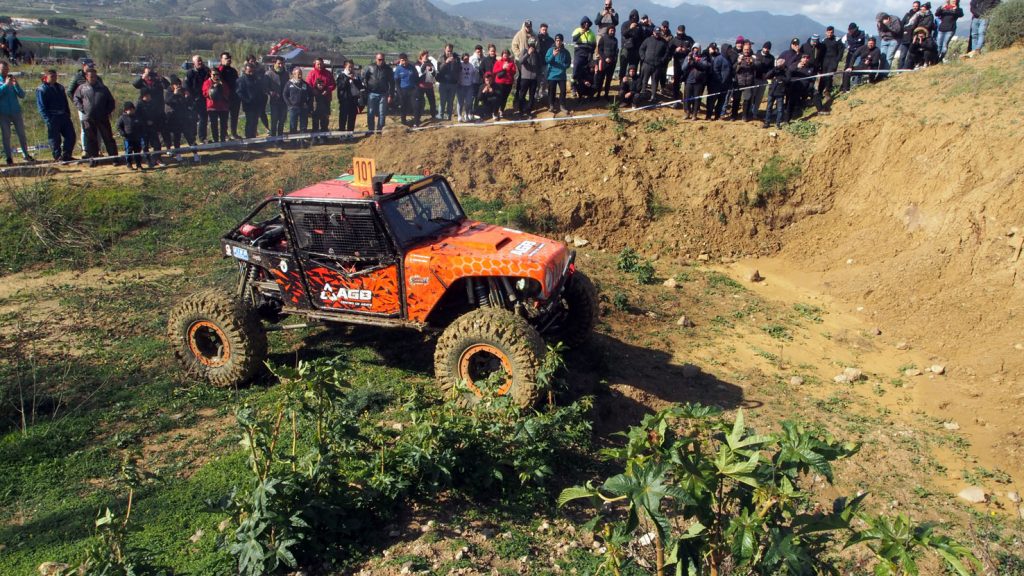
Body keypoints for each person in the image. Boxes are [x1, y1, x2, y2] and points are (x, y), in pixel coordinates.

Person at [73, 67, 118, 163]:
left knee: (108, 138)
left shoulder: (103, 88)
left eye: (95, 76)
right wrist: (82, 109)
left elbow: (111, 101)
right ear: (86, 77)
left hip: (102, 117)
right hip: (88, 118)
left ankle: (114, 158)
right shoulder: (82, 88)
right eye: (91, 76)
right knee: (91, 140)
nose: (93, 78)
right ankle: (93, 160)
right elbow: (76, 99)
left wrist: (107, 111)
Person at [36, 69, 75, 162]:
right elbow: (41, 107)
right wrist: (48, 119)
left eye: (55, 76)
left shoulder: (60, 87)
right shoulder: (41, 89)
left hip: (63, 115)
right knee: (55, 139)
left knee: (71, 135)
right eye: (52, 76)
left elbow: (65, 102)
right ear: (45, 77)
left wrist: (67, 113)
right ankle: (58, 156)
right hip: (52, 116)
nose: (54, 78)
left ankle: (67, 155)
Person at [0, 66, 34, 165]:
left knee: (21, 134)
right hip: (3, 113)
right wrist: (5, 85)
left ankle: (26, 154)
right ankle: (9, 157)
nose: (5, 71)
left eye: (6, 69)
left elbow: (22, 95)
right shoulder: (3, 82)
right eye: (2, 69)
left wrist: (16, 85)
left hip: (16, 111)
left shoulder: (11, 80)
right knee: (6, 135)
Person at [67, 60, 102, 154]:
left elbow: (102, 90)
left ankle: (98, 149)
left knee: (98, 128)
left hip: (96, 108)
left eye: (92, 66)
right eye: (89, 66)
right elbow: (69, 91)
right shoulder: (77, 77)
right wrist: (79, 104)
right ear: (84, 66)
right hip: (83, 108)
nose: (91, 68)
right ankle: (85, 150)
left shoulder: (97, 78)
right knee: (85, 128)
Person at [164, 77, 199, 160]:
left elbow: (190, 103)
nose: (179, 86)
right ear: (172, 85)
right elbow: (167, 101)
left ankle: (195, 154)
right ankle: (178, 155)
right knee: (176, 137)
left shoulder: (184, 90)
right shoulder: (169, 92)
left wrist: (188, 97)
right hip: (174, 118)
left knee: (189, 136)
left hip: (184, 117)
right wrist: (175, 94)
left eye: (180, 84)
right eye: (177, 84)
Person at [362, 53, 393, 133]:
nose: (381, 61)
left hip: (383, 94)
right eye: (379, 59)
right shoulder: (369, 67)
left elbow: (392, 83)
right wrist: (366, 89)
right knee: (371, 112)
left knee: (382, 113)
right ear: (376, 59)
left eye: (382, 59)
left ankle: (380, 130)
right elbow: (364, 78)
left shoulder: (388, 69)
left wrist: (390, 95)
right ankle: (370, 130)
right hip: (372, 93)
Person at [638, 28, 670, 103]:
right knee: (644, 80)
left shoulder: (663, 42)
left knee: (655, 81)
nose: (657, 34)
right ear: (653, 32)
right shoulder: (648, 40)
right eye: (656, 32)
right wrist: (643, 58)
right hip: (647, 64)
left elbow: (667, 52)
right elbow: (641, 49)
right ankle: (642, 94)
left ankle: (653, 96)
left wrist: (662, 60)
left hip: (657, 66)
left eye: (658, 33)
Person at [237, 62, 267, 138]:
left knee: (255, 122)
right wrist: (247, 100)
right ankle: (248, 139)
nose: (251, 73)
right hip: (248, 105)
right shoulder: (242, 80)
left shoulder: (256, 79)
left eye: (252, 71)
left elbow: (260, 90)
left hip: (257, 104)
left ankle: (253, 138)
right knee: (250, 122)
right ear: (245, 71)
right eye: (249, 71)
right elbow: (239, 92)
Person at [135, 91, 164, 166]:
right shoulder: (139, 104)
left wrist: (154, 122)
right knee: (145, 145)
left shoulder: (153, 103)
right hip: (143, 128)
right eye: (146, 96)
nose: (148, 97)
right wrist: (145, 122)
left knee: (157, 144)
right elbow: (137, 117)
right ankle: (147, 159)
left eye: (149, 95)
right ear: (142, 96)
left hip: (153, 127)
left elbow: (157, 114)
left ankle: (157, 158)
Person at [185, 55, 211, 142]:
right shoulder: (190, 73)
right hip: (193, 100)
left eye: (201, 60)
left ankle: (202, 138)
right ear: (194, 63)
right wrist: (191, 98)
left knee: (204, 119)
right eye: (198, 61)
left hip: (204, 99)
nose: (200, 62)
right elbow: (187, 87)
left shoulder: (206, 71)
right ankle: (192, 139)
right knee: (193, 120)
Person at [216, 52, 241, 139]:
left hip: (234, 97)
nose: (229, 60)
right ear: (221, 59)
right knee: (224, 118)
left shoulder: (233, 71)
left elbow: (237, 83)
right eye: (226, 58)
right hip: (224, 97)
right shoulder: (219, 70)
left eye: (229, 58)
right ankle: (225, 134)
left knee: (234, 116)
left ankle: (234, 133)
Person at [202, 67, 231, 142]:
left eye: (217, 74)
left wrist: (221, 86)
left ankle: (223, 138)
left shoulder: (223, 83)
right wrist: (213, 88)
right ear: (210, 75)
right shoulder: (207, 83)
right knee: (214, 124)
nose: (215, 76)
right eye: (214, 74)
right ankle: (216, 139)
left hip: (223, 106)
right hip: (212, 106)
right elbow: (205, 93)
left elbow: (227, 93)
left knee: (224, 124)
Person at [545, 34, 571, 115]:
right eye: (556, 40)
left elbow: (568, 62)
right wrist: (553, 55)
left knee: (563, 91)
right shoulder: (550, 50)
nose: (558, 42)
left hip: (562, 75)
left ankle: (562, 106)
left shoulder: (566, 52)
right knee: (551, 91)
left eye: (559, 40)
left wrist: (564, 66)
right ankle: (551, 105)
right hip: (552, 75)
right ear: (555, 41)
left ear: (562, 41)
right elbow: (547, 61)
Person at [571, 17, 597, 98]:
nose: (586, 24)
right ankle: (573, 87)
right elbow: (574, 39)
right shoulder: (577, 30)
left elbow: (594, 44)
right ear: (582, 23)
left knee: (587, 71)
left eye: (588, 23)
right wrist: (580, 33)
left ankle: (586, 89)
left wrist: (591, 53)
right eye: (585, 23)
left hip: (588, 54)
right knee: (576, 70)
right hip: (579, 54)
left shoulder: (591, 33)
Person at [682, 44, 709, 119]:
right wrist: (688, 61)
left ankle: (694, 113)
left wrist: (696, 61)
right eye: (694, 48)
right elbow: (683, 68)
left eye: (697, 49)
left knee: (696, 98)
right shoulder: (688, 57)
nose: (695, 50)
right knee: (687, 97)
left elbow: (704, 67)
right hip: (689, 80)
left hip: (698, 81)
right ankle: (687, 112)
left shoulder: (703, 58)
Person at [818, 28, 844, 103]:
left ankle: (827, 91)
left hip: (833, 61)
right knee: (822, 77)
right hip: (824, 61)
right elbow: (821, 52)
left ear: (833, 32)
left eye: (831, 32)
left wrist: (837, 60)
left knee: (829, 76)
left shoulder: (837, 40)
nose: (830, 34)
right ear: (826, 32)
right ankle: (819, 92)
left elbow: (841, 51)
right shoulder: (824, 41)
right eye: (828, 32)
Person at [117, 102, 146, 169]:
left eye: (132, 109)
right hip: (128, 138)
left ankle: (138, 164)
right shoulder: (122, 117)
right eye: (129, 109)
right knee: (129, 151)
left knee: (137, 151)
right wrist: (122, 133)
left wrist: (141, 133)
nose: (131, 111)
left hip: (137, 138)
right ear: (125, 110)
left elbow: (141, 126)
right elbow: (118, 126)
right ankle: (129, 163)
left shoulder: (137, 117)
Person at [393, 53, 420, 126]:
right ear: (400, 61)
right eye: (402, 61)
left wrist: (416, 88)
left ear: (407, 60)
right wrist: (399, 93)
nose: (404, 62)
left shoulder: (412, 67)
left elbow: (417, 78)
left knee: (416, 106)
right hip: (403, 90)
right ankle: (403, 122)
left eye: (405, 60)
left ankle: (416, 123)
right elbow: (396, 82)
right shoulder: (398, 69)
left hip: (412, 89)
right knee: (403, 107)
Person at [707, 43, 732, 120]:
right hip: (716, 85)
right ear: (725, 50)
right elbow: (715, 70)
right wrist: (720, 80)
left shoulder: (728, 59)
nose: (730, 51)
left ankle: (717, 116)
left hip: (725, 85)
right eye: (729, 49)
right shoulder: (718, 59)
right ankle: (708, 116)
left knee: (721, 102)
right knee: (712, 101)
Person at [669, 25, 694, 101]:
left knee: (687, 81)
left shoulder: (689, 39)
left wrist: (686, 50)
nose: (680, 34)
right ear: (677, 31)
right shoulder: (673, 40)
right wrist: (676, 51)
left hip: (686, 63)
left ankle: (686, 99)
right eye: (679, 33)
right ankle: (675, 98)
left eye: (682, 33)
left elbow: (694, 50)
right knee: (676, 81)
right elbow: (668, 51)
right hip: (677, 63)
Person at [283, 67, 311, 134]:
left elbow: (311, 95)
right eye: (298, 74)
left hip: (303, 108)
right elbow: (284, 94)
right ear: (294, 74)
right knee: (293, 125)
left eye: (300, 74)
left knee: (303, 126)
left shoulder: (305, 84)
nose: (299, 76)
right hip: (293, 108)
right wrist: (289, 105)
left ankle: (302, 141)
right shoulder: (289, 83)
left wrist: (307, 104)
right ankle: (293, 142)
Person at [336, 60, 362, 132]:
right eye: (349, 67)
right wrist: (348, 79)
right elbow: (340, 86)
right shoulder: (341, 75)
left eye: (352, 67)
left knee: (352, 118)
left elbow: (360, 86)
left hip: (353, 100)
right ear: (345, 66)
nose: (351, 69)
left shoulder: (356, 76)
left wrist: (355, 80)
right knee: (343, 118)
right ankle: (342, 134)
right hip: (344, 100)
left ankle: (350, 133)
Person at [733, 44, 757, 121]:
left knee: (747, 100)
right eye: (745, 49)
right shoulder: (738, 57)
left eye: (748, 49)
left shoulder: (753, 58)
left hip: (749, 83)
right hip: (738, 82)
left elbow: (758, 67)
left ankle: (744, 116)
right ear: (743, 49)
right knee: (736, 99)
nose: (746, 51)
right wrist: (738, 63)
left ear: (750, 50)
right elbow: (733, 69)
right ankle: (734, 115)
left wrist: (752, 63)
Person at [516, 42, 541, 116]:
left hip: (534, 78)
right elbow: (521, 61)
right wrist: (528, 54)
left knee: (532, 95)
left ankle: (529, 110)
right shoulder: (524, 51)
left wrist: (537, 74)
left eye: (533, 45)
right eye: (530, 44)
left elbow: (539, 64)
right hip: (525, 77)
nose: (532, 46)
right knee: (522, 94)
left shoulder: (537, 53)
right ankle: (520, 110)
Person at [762, 58, 788, 129]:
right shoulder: (775, 70)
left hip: (780, 92)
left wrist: (780, 77)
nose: (779, 64)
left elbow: (788, 79)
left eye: (781, 63)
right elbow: (767, 76)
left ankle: (778, 123)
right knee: (769, 108)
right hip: (772, 91)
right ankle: (767, 122)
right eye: (778, 62)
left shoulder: (786, 70)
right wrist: (775, 69)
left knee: (780, 109)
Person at [266, 57, 288, 137]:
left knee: (282, 120)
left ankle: (280, 138)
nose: (280, 65)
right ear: (274, 63)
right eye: (279, 63)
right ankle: (273, 138)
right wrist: (270, 92)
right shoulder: (269, 74)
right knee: (274, 121)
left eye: (282, 63)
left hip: (283, 101)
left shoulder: (285, 74)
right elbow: (265, 87)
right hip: (274, 101)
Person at [594, 25, 619, 99]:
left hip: (612, 63)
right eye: (611, 30)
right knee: (600, 79)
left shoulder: (615, 40)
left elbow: (616, 51)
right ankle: (598, 94)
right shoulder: (603, 38)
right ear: (608, 30)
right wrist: (605, 58)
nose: (612, 31)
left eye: (613, 30)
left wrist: (613, 59)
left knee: (608, 80)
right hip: (603, 62)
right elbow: (600, 50)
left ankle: (606, 95)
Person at [752, 42, 775, 119]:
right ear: (762, 47)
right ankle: (749, 111)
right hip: (755, 79)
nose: (766, 49)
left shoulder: (771, 58)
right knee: (752, 96)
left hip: (763, 80)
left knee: (759, 97)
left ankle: (755, 113)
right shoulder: (756, 55)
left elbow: (772, 69)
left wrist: (767, 75)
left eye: (768, 48)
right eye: (765, 48)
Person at [437, 45, 460, 121]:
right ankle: (440, 116)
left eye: (450, 51)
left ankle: (449, 117)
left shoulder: (456, 58)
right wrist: (446, 62)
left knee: (450, 101)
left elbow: (459, 69)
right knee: (442, 101)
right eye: (448, 51)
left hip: (453, 83)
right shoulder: (441, 58)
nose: (449, 52)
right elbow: (439, 69)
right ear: (445, 50)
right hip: (443, 82)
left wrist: (454, 63)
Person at [492, 49, 516, 119]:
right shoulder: (498, 62)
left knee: (504, 98)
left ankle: (501, 110)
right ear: (502, 55)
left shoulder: (511, 63)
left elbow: (514, 72)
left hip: (508, 83)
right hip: (499, 83)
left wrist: (508, 68)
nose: (505, 55)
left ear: (509, 55)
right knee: (498, 98)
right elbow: (494, 71)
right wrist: (502, 68)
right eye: (504, 53)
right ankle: (495, 113)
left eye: (507, 53)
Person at [620, 9, 642, 84]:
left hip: (635, 50)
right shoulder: (625, 24)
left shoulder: (639, 26)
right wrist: (630, 28)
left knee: (633, 67)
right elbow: (623, 34)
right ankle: (621, 83)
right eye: (633, 16)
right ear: (630, 16)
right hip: (626, 49)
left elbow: (642, 37)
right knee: (623, 67)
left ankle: (632, 83)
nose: (634, 17)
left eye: (636, 16)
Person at [416, 51, 437, 125]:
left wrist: (431, 69)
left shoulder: (430, 64)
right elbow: (420, 72)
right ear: (421, 56)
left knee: (432, 102)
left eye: (427, 56)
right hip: (420, 86)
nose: (427, 57)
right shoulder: (417, 64)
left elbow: (434, 74)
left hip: (429, 85)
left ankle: (433, 116)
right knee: (419, 103)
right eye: (425, 56)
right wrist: (424, 65)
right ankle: (417, 119)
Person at [899, 2, 923, 67]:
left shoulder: (920, 15)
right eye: (914, 6)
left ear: (919, 7)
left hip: (913, 39)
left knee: (910, 56)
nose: (915, 7)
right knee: (902, 56)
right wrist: (903, 32)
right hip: (905, 38)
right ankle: (899, 70)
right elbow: (902, 24)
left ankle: (906, 69)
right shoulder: (907, 14)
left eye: (916, 6)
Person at [457, 52, 478, 122]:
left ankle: (466, 114)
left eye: (468, 58)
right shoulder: (460, 65)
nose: (467, 59)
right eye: (465, 58)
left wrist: (473, 82)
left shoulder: (471, 66)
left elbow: (474, 74)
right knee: (460, 102)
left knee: (468, 102)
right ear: (462, 58)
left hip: (469, 86)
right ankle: (459, 115)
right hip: (461, 86)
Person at [536, 24, 554, 100]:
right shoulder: (536, 39)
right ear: (540, 29)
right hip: (537, 62)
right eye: (543, 29)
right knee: (537, 79)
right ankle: (536, 94)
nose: (544, 31)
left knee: (546, 79)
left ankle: (543, 92)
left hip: (547, 63)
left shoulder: (550, 40)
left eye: (545, 29)